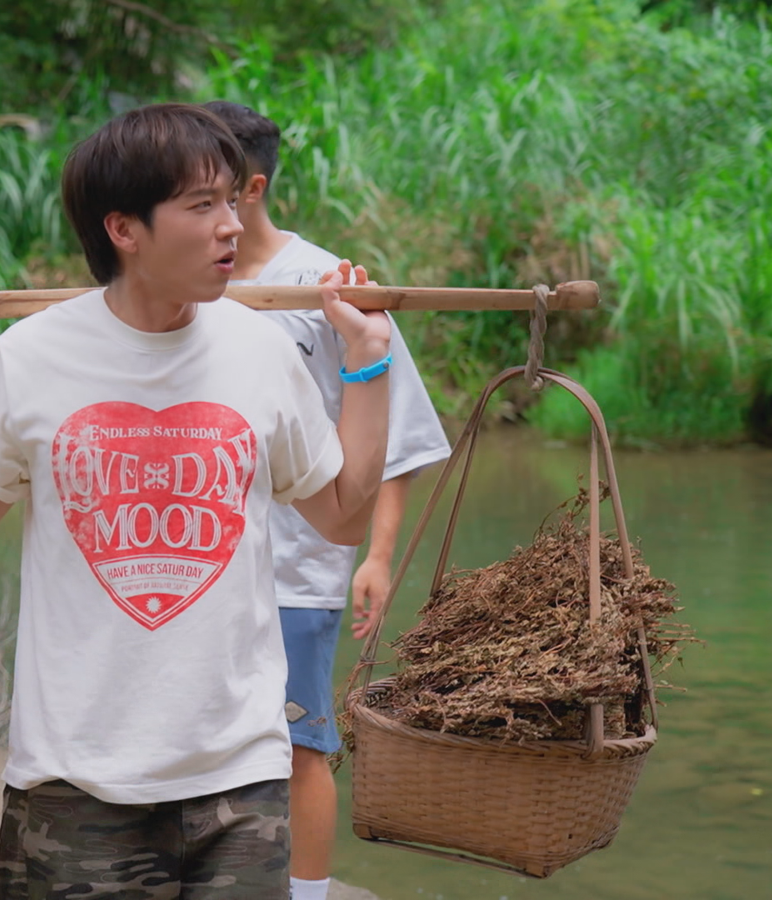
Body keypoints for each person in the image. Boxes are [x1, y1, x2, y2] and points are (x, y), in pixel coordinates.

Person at [0, 103, 392, 898]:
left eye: (232, 200)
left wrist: (367, 364)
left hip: (240, 779)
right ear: (123, 229)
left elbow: (342, 516)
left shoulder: (262, 351)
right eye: (202, 206)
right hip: (75, 785)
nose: (232, 225)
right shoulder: (32, 357)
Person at [204, 99, 452, 900]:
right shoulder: (178, 284)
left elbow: (396, 434)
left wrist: (376, 555)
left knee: (299, 742)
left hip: (297, 565)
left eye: (207, 179)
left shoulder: (324, 284)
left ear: (250, 185)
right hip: (197, 558)